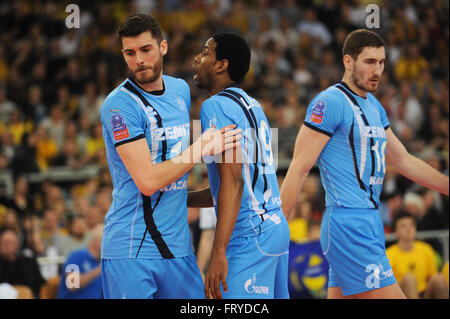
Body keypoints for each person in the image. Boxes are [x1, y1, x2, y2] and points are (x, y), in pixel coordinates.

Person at [280, 29, 449, 299]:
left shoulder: (374, 106)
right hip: (348, 223)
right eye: (370, 62)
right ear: (348, 62)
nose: (378, 70)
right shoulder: (329, 101)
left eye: (382, 63)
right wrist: (277, 228)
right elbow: (299, 168)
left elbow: (404, 160)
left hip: (368, 221)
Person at [99, 14, 240, 299]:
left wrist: (217, 192)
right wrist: (200, 147)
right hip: (131, 251)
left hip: (179, 250)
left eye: (145, 49)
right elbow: (148, 182)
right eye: (130, 53)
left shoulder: (180, 90)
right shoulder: (118, 106)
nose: (138, 59)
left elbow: (173, 172)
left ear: (163, 47)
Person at [194, 32, 290, 299]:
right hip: (276, 226)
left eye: (204, 53)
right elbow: (240, 183)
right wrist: (182, 198)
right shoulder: (252, 104)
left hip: (250, 234)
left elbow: (233, 182)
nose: (196, 59)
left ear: (221, 65)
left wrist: (218, 251)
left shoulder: (214, 106)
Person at [386, 211, 448, 299]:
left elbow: (432, 276)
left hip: (424, 292)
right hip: (401, 293)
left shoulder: (426, 249)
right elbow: (389, 286)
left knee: (439, 279)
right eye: (403, 226)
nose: (409, 229)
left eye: (411, 225)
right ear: (396, 231)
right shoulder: (389, 254)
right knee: (409, 279)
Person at [57, 224, 104, 299]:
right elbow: (72, 284)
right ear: (98, 242)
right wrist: (98, 270)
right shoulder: (75, 256)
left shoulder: (102, 261)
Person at [0, 229, 46, 298]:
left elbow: (40, 284)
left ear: (17, 245)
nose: (7, 246)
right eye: (4, 243)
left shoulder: (29, 262)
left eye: (9, 243)